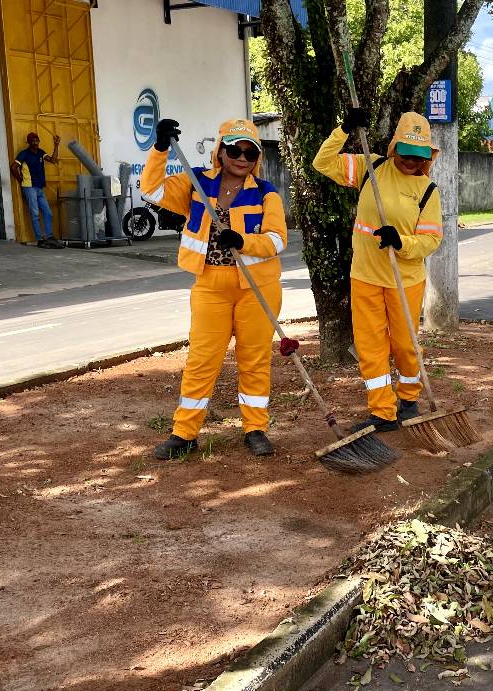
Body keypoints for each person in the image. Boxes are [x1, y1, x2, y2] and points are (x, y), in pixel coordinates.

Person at [144, 118, 289, 459]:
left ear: (256, 158)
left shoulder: (267, 193)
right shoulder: (196, 183)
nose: (242, 157)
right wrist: (161, 148)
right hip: (210, 284)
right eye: (234, 150)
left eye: (249, 152)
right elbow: (151, 190)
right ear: (220, 151)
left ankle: (255, 429)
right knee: (201, 359)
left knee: (253, 360)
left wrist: (244, 242)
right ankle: (185, 433)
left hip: (257, 288)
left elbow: (277, 238)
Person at [312, 109, 443, 433]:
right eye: (407, 153)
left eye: (418, 156)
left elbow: (431, 240)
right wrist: (343, 129)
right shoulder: (371, 167)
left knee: (404, 345)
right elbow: (323, 163)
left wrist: (402, 242)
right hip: (365, 276)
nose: (411, 161)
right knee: (370, 348)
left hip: (405, 281)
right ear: (394, 147)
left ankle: (409, 400)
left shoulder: (427, 190)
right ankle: (382, 411)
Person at [11, 132, 63, 248]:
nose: (35, 143)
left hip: (39, 187)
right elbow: (14, 167)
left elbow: (53, 160)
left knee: (48, 213)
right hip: (29, 188)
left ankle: (49, 237)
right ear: (28, 143)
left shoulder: (40, 152)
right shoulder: (24, 154)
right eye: (33, 141)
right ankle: (40, 240)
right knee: (35, 214)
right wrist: (21, 180)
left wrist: (56, 145)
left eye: (37, 141)